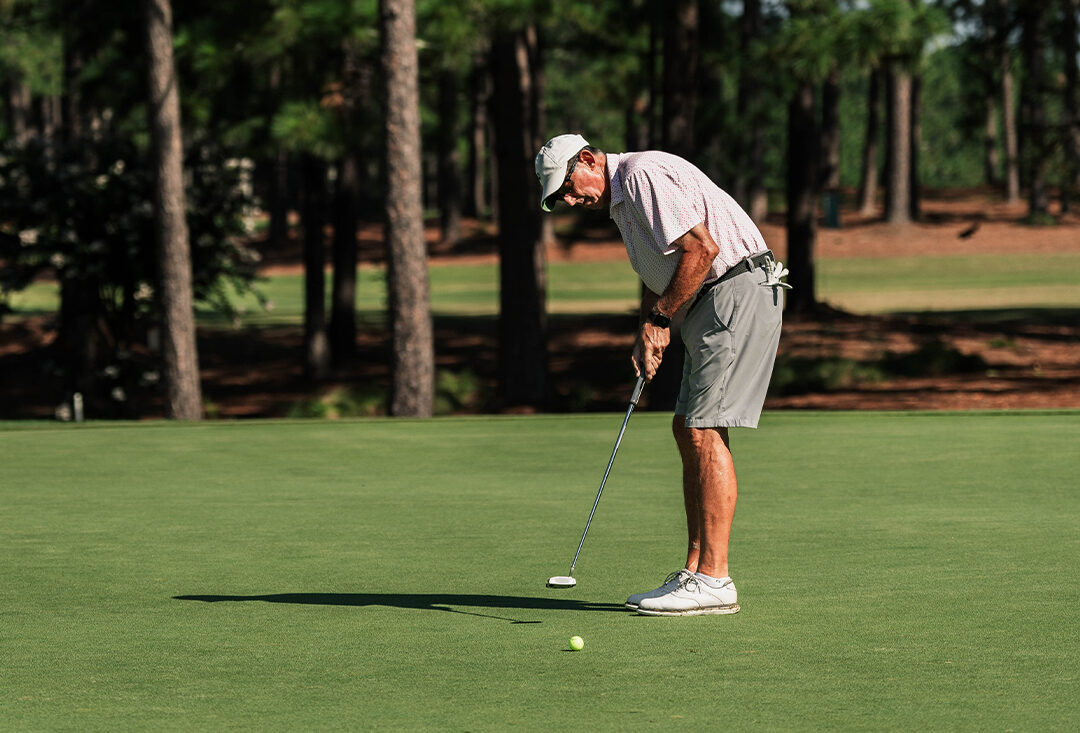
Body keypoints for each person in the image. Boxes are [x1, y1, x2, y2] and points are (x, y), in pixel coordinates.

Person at [535, 133, 789, 616]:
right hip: (709, 301)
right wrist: (647, 328)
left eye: (567, 186)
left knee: (703, 428)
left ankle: (715, 579)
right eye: (559, 198)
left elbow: (702, 250)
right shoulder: (623, 203)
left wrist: (660, 320)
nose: (569, 200)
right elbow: (666, 269)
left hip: (735, 288)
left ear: (588, 159)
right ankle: (694, 572)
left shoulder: (642, 174)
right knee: (686, 426)